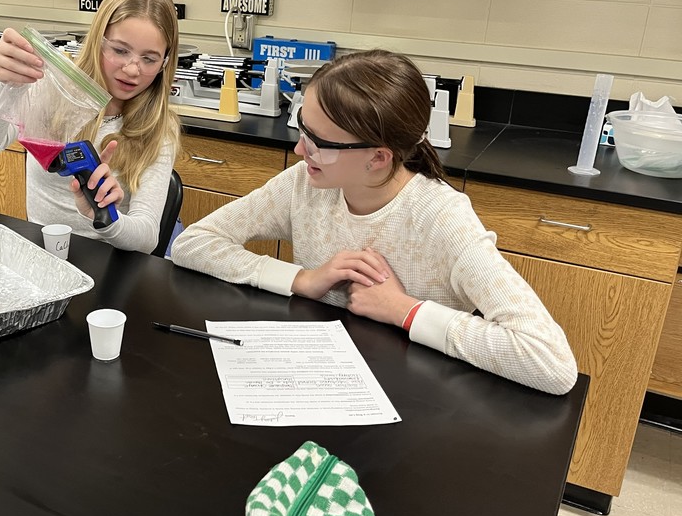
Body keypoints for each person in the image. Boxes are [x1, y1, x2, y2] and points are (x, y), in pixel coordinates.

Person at [171, 49, 578, 395]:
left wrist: (406, 311)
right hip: (320, 383)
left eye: (318, 143)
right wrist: (302, 280)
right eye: (303, 128)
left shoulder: (443, 218)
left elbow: (551, 362)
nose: (299, 150)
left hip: (415, 402)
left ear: (379, 157)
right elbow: (193, 243)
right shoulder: (305, 184)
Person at [0, 0, 180, 253]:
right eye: (120, 50)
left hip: (110, 264)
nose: (132, 69)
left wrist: (105, 216)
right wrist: (7, 85)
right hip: (42, 252)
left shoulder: (159, 127)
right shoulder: (51, 89)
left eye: (149, 59)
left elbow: (147, 238)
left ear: (165, 63)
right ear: (98, 40)